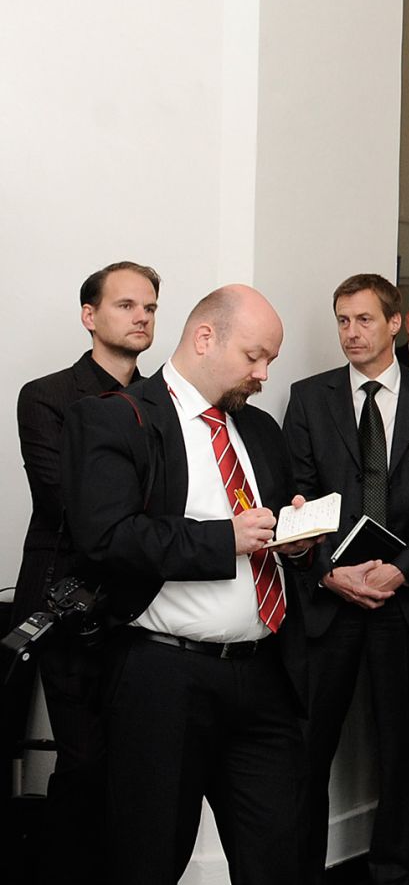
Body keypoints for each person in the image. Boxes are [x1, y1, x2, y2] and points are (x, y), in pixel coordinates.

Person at [62, 284, 317, 885]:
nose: (262, 373)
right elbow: (106, 539)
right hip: (163, 678)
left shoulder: (258, 431)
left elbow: (267, 533)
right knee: (149, 856)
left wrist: (296, 543)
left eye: (271, 361)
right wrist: (221, 539)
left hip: (263, 674)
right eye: (254, 355)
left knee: (280, 855)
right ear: (205, 337)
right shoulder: (114, 417)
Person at [282, 273, 409, 885]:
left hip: (404, 599)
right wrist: (329, 574)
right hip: (331, 598)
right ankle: (300, 869)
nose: (351, 332)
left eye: (364, 319)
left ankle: (395, 870)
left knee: (404, 752)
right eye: (342, 320)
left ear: (397, 325)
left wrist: (401, 569)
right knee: (309, 750)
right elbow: (297, 502)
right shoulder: (309, 398)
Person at [10, 260, 157, 885]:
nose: (142, 316)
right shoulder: (46, 396)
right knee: (83, 761)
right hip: (65, 601)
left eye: (150, 306)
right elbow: (65, 500)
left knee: (135, 763)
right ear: (89, 316)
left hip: (143, 602)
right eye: (127, 305)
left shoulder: (162, 401)